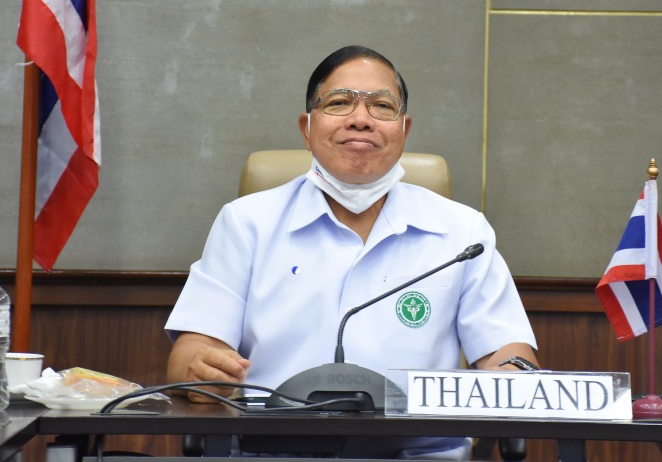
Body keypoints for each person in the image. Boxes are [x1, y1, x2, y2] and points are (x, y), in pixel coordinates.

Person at [165, 45, 538, 459]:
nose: (360, 119)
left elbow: (506, 353)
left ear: (404, 129)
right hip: (271, 451)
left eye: (381, 106)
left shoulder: (463, 233)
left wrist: (514, 377)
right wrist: (200, 370)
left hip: (420, 454)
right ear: (307, 128)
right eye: (339, 103)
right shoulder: (247, 222)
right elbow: (192, 352)